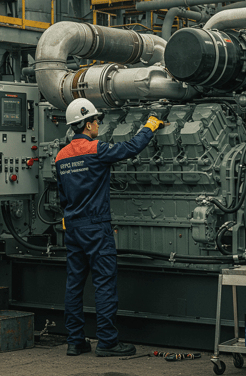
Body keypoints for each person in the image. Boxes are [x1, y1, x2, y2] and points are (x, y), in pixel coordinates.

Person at [55, 98, 167, 357]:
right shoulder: (96, 149)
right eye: (96, 120)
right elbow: (130, 148)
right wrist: (150, 125)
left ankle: (75, 341)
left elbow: (62, 196)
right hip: (96, 227)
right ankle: (107, 342)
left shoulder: (61, 156)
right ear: (86, 124)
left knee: (74, 284)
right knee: (104, 282)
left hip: (72, 227)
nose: (98, 125)